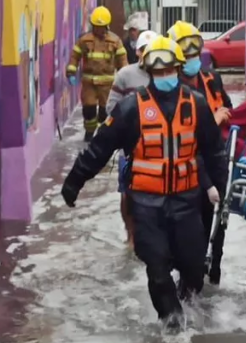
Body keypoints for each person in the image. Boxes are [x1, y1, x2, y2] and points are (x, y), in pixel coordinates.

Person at [61, 36, 229, 329]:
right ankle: (172, 325)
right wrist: (75, 181)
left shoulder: (197, 105)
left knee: (193, 267)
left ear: (178, 69)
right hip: (146, 204)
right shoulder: (130, 108)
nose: (164, 77)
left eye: (169, 71)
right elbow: (100, 147)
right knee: (157, 268)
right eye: (158, 72)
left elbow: (214, 152)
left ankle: (188, 306)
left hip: (186, 201)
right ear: (149, 72)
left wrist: (224, 190)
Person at [168, 20, 231, 286]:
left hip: (217, 163)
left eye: (196, 52)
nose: (193, 58)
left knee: (219, 228)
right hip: (189, 170)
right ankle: (188, 287)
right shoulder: (171, 90)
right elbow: (184, 134)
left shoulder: (212, 78)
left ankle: (213, 277)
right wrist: (213, 121)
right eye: (187, 53)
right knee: (191, 236)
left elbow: (227, 108)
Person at [107, 29, 158, 246]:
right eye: (144, 50)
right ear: (137, 51)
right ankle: (130, 235)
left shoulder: (167, 74)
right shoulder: (125, 75)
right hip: (130, 147)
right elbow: (111, 107)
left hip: (158, 145)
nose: (147, 55)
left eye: (152, 51)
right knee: (126, 193)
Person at [66, 6, 128, 142]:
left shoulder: (115, 41)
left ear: (107, 26)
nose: (98, 29)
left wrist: (125, 78)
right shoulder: (85, 40)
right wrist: (71, 71)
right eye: (96, 26)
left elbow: (122, 60)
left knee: (105, 111)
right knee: (88, 110)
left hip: (107, 84)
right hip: (89, 83)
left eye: (101, 27)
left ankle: (102, 135)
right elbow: (75, 56)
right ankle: (89, 134)